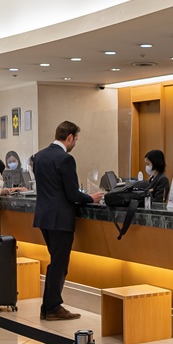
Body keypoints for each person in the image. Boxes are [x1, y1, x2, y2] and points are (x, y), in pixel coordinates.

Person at [31, 120, 102, 320]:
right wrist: (91, 198)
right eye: (75, 140)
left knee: (56, 261)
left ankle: (48, 307)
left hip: (44, 217)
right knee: (59, 264)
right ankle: (52, 307)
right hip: (60, 218)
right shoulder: (65, 159)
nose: (75, 144)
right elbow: (72, 194)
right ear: (69, 137)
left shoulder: (39, 156)